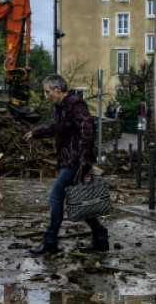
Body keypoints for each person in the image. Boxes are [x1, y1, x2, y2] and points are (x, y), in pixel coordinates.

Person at [23, 74, 108, 254]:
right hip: (71, 159)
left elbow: (87, 127)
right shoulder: (62, 107)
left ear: (58, 89)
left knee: (56, 196)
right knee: (78, 199)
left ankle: (50, 240)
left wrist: (84, 154)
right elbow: (56, 127)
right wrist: (36, 132)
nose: (46, 96)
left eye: (48, 92)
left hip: (76, 160)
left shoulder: (74, 104)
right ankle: (100, 236)